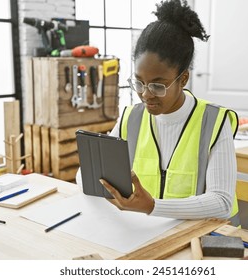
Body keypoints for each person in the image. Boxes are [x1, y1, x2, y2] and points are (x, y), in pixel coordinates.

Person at [77, 0, 239, 223]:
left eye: (157, 85)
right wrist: (95, 181)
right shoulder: (130, 118)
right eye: (139, 82)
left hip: (200, 239)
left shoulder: (215, 122)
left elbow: (222, 203)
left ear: (183, 79)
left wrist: (152, 206)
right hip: (145, 232)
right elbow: (87, 174)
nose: (145, 94)